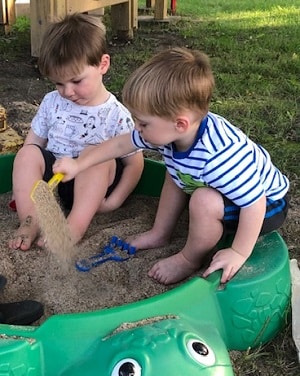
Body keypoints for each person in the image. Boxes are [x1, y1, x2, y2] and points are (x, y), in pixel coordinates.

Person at [53, 47, 289, 285]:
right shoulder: (171, 130)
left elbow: (254, 203)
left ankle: (189, 258)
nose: (136, 128)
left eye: (143, 123)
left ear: (180, 124)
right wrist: (78, 164)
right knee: (175, 172)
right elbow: (119, 145)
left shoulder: (217, 156)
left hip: (266, 205)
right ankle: (160, 233)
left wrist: (238, 252)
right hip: (227, 191)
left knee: (203, 201)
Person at [8, 13, 144, 251]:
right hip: (54, 183)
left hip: (94, 189)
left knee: (95, 155)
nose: (67, 92)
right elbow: (34, 144)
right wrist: (25, 182)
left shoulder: (115, 114)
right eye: (59, 83)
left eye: (76, 81)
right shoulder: (52, 102)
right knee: (27, 153)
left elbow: (135, 163)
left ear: (102, 64)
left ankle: (73, 228)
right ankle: (30, 221)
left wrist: (115, 200)